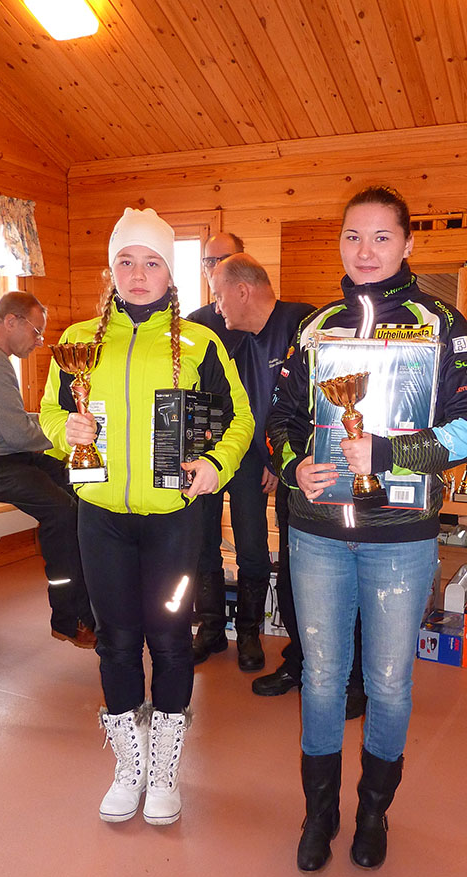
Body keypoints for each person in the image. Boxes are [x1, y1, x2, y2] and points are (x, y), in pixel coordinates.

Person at [268, 185, 467, 872]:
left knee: (390, 682)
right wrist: (295, 466)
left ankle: (373, 812)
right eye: (352, 236)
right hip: (316, 533)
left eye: (381, 237)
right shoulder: (316, 326)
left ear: (407, 244)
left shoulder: (442, 325)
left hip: (400, 540)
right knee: (321, 679)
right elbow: (280, 419)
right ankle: (319, 814)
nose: (364, 251)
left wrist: (392, 453)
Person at [40, 208, 253, 825]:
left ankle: (163, 771)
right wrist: (65, 430)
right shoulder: (81, 339)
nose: (138, 274)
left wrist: (214, 464)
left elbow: (239, 419)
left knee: (169, 638)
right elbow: (51, 413)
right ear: (112, 270)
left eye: (152, 262)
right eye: (126, 262)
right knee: (115, 639)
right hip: (101, 517)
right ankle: (128, 766)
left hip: (173, 521)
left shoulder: (200, 343)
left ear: (170, 274)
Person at [0, 291, 96, 649]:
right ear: (11, 321)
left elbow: (16, 424)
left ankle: (93, 604)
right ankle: (68, 619)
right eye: (36, 332)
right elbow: (19, 433)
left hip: (1, 457)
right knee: (62, 510)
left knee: (80, 484)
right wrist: (69, 429)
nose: (39, 342)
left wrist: (63, 424)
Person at [189, 253, 314, 672]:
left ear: (242, 291)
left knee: (253, 546)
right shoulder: (216, 329)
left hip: (262, 459)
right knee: (202, 542)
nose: (216, 305)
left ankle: (248, 633)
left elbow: (298, 407)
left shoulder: (301, 322)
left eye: (219, 294)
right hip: (213, 451)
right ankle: (210, 628)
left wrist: (276, 459)